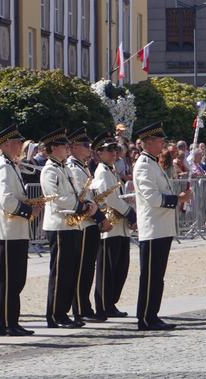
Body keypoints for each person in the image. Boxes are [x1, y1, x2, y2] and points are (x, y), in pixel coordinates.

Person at [133, 122, 191, 331]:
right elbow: (152, 197)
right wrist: (178, 199)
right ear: (148, 142)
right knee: (150, 276)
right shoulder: (143, 165)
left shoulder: (152, 163)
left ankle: (152, 314)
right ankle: (146, 317)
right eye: (160, 141)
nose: (163, 146)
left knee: (157, 276)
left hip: (161, 228)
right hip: (153, 228)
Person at [0, 124, 41, 336]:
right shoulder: (3, 166)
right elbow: (6, 200)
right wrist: (28, 210)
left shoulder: (11, 165)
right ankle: (7, 323)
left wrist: (31, 202)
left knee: (16, 280)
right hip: (8, 231)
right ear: (7, 144)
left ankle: (10, 321)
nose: (21, 145)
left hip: (15, 231)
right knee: (10, 280)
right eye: (18, 142)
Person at [39, 128, 91, 329]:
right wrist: (79, 205)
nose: (67, 148)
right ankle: (55, 315)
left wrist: (85, 203)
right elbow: (55, 198)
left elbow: (76, 191)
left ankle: (65, 312)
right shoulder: (49, 170)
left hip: (72, 224)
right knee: (60, 272)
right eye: (63, 146)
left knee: (70, 272)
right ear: (53, 148)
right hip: (59, 225)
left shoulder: (64, 168)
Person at [66, 126, 112, 324]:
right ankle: (80, 307)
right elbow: (83, 197)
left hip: (90, 221)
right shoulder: (74, 168)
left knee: (88, 268)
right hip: (83, 223)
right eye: (85, 145)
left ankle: (84, 305)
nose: (89, 148)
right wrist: (101, 218)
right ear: (74, 147)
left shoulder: (82, 166)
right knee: (82, 268)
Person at [92, 132, 137, 319]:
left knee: (120, 267)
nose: (113, 153)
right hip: (110, 226)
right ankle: (104, 304)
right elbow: (109, 198)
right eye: (109, 150)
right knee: (108, 269)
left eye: (115, 149)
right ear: (99, 153)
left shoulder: (111, 170)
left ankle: (111, 303)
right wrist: (129, 212)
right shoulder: (102, 171)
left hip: (120, 226)